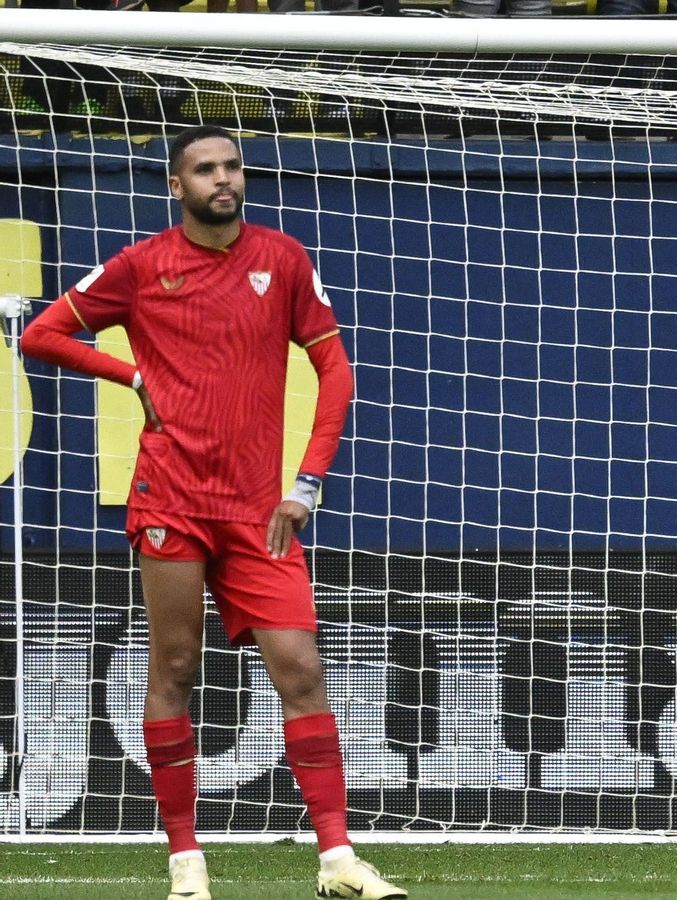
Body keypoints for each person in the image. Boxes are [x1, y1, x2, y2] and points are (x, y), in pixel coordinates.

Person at [18, 125, 404, 900]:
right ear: (176, 185)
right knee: (175, 666)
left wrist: (308, 483)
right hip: (172, 499)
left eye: (231, 166)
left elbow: (335, 370)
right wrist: (128, 375)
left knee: (301, 669)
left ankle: (338, 861)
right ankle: (186, 863)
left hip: (261, 509)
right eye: (204, 169)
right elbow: (42, 333)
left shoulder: (284, 259)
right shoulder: (141, 265)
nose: (222, 179)